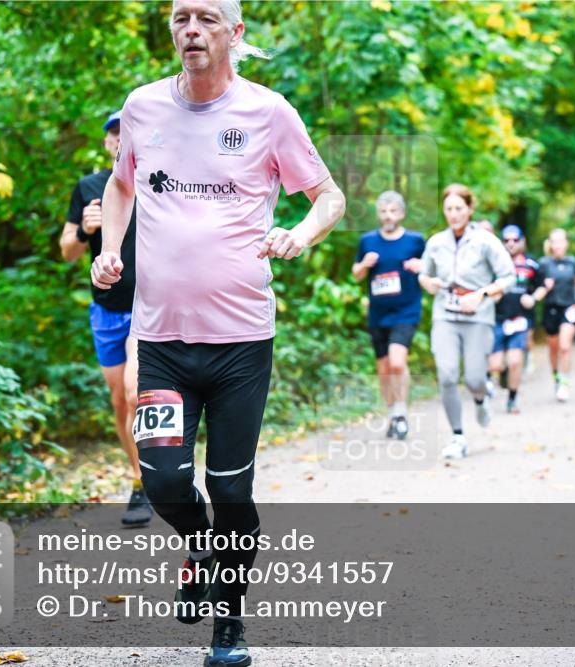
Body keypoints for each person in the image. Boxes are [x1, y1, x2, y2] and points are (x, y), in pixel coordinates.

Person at [90, 1, 346, 663]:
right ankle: (202, 548)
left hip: (240, 344)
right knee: (165, 479)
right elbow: (121, 186)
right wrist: (109, 246)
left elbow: (329, 197)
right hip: (162, 340)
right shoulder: (143, 107)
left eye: (208, 17)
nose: (192, 28)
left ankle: (228, 623)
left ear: (235, 34)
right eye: (181, 17)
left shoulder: (268, 111)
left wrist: (299, 232)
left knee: (231, 488)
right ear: (172, 31)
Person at [59, 111, 151, 528]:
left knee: (134, 394)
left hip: (149, 305)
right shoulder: (89, 187)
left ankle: (152, 481)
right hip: (106, 309)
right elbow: (67, 251)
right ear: (107, 143)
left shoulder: (157, 181)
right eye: (114, 133)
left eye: (126, 132)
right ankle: (140, 479)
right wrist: (83, 230)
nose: (119, 139)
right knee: (119, 400)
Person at [419, 184, 515, 459]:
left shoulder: (486, 241)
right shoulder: (436, 242)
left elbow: (508, 277)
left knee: (474, 377)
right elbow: (424, 274)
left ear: (470, 209)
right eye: (448, 209)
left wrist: (482, 294)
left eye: (459, 208)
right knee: (447, 374)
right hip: (445, 316)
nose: (453, 214)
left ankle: (481, 398)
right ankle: (457, 436)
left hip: (478, 317)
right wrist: (429, 282)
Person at [351, 191, 425, 440]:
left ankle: (402, 413)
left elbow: (432, 268)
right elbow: (356, 274)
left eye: (393, 211)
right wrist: (364, 265)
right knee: (384, 369)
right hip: (378, 313)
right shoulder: (368, 241)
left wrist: (421, 266)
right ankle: (393, 413)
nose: (388, 216)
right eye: (383, 211)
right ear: (378, 214)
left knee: (397, 362)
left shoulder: (416, 241)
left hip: (406, 310)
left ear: (402, 213)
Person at [487, 224, 546, 414]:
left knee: (515, 361)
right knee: (495, 364)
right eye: (506, 240)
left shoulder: (531, 264)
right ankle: (502, 374)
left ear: (522, 241)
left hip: (520, 319)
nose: (511, 244)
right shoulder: (494, 263)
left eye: (515, 240)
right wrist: (490, 295)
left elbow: (543, 285)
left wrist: (534, 298)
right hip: (497, 319)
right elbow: (482, 287)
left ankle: (512, 399)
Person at [539, 228, 575, 402]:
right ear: (550, 244)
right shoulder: (544, 264)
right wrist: (545, 287)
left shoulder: (573, 262)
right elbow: (536, 287)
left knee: (565, 346)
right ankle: (556, 377)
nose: (558, 245)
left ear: (566, 243)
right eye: (554, 241)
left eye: (561, 241)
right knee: (554, 348)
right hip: (551, 308)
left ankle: (565, 383)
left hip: (569, 308)